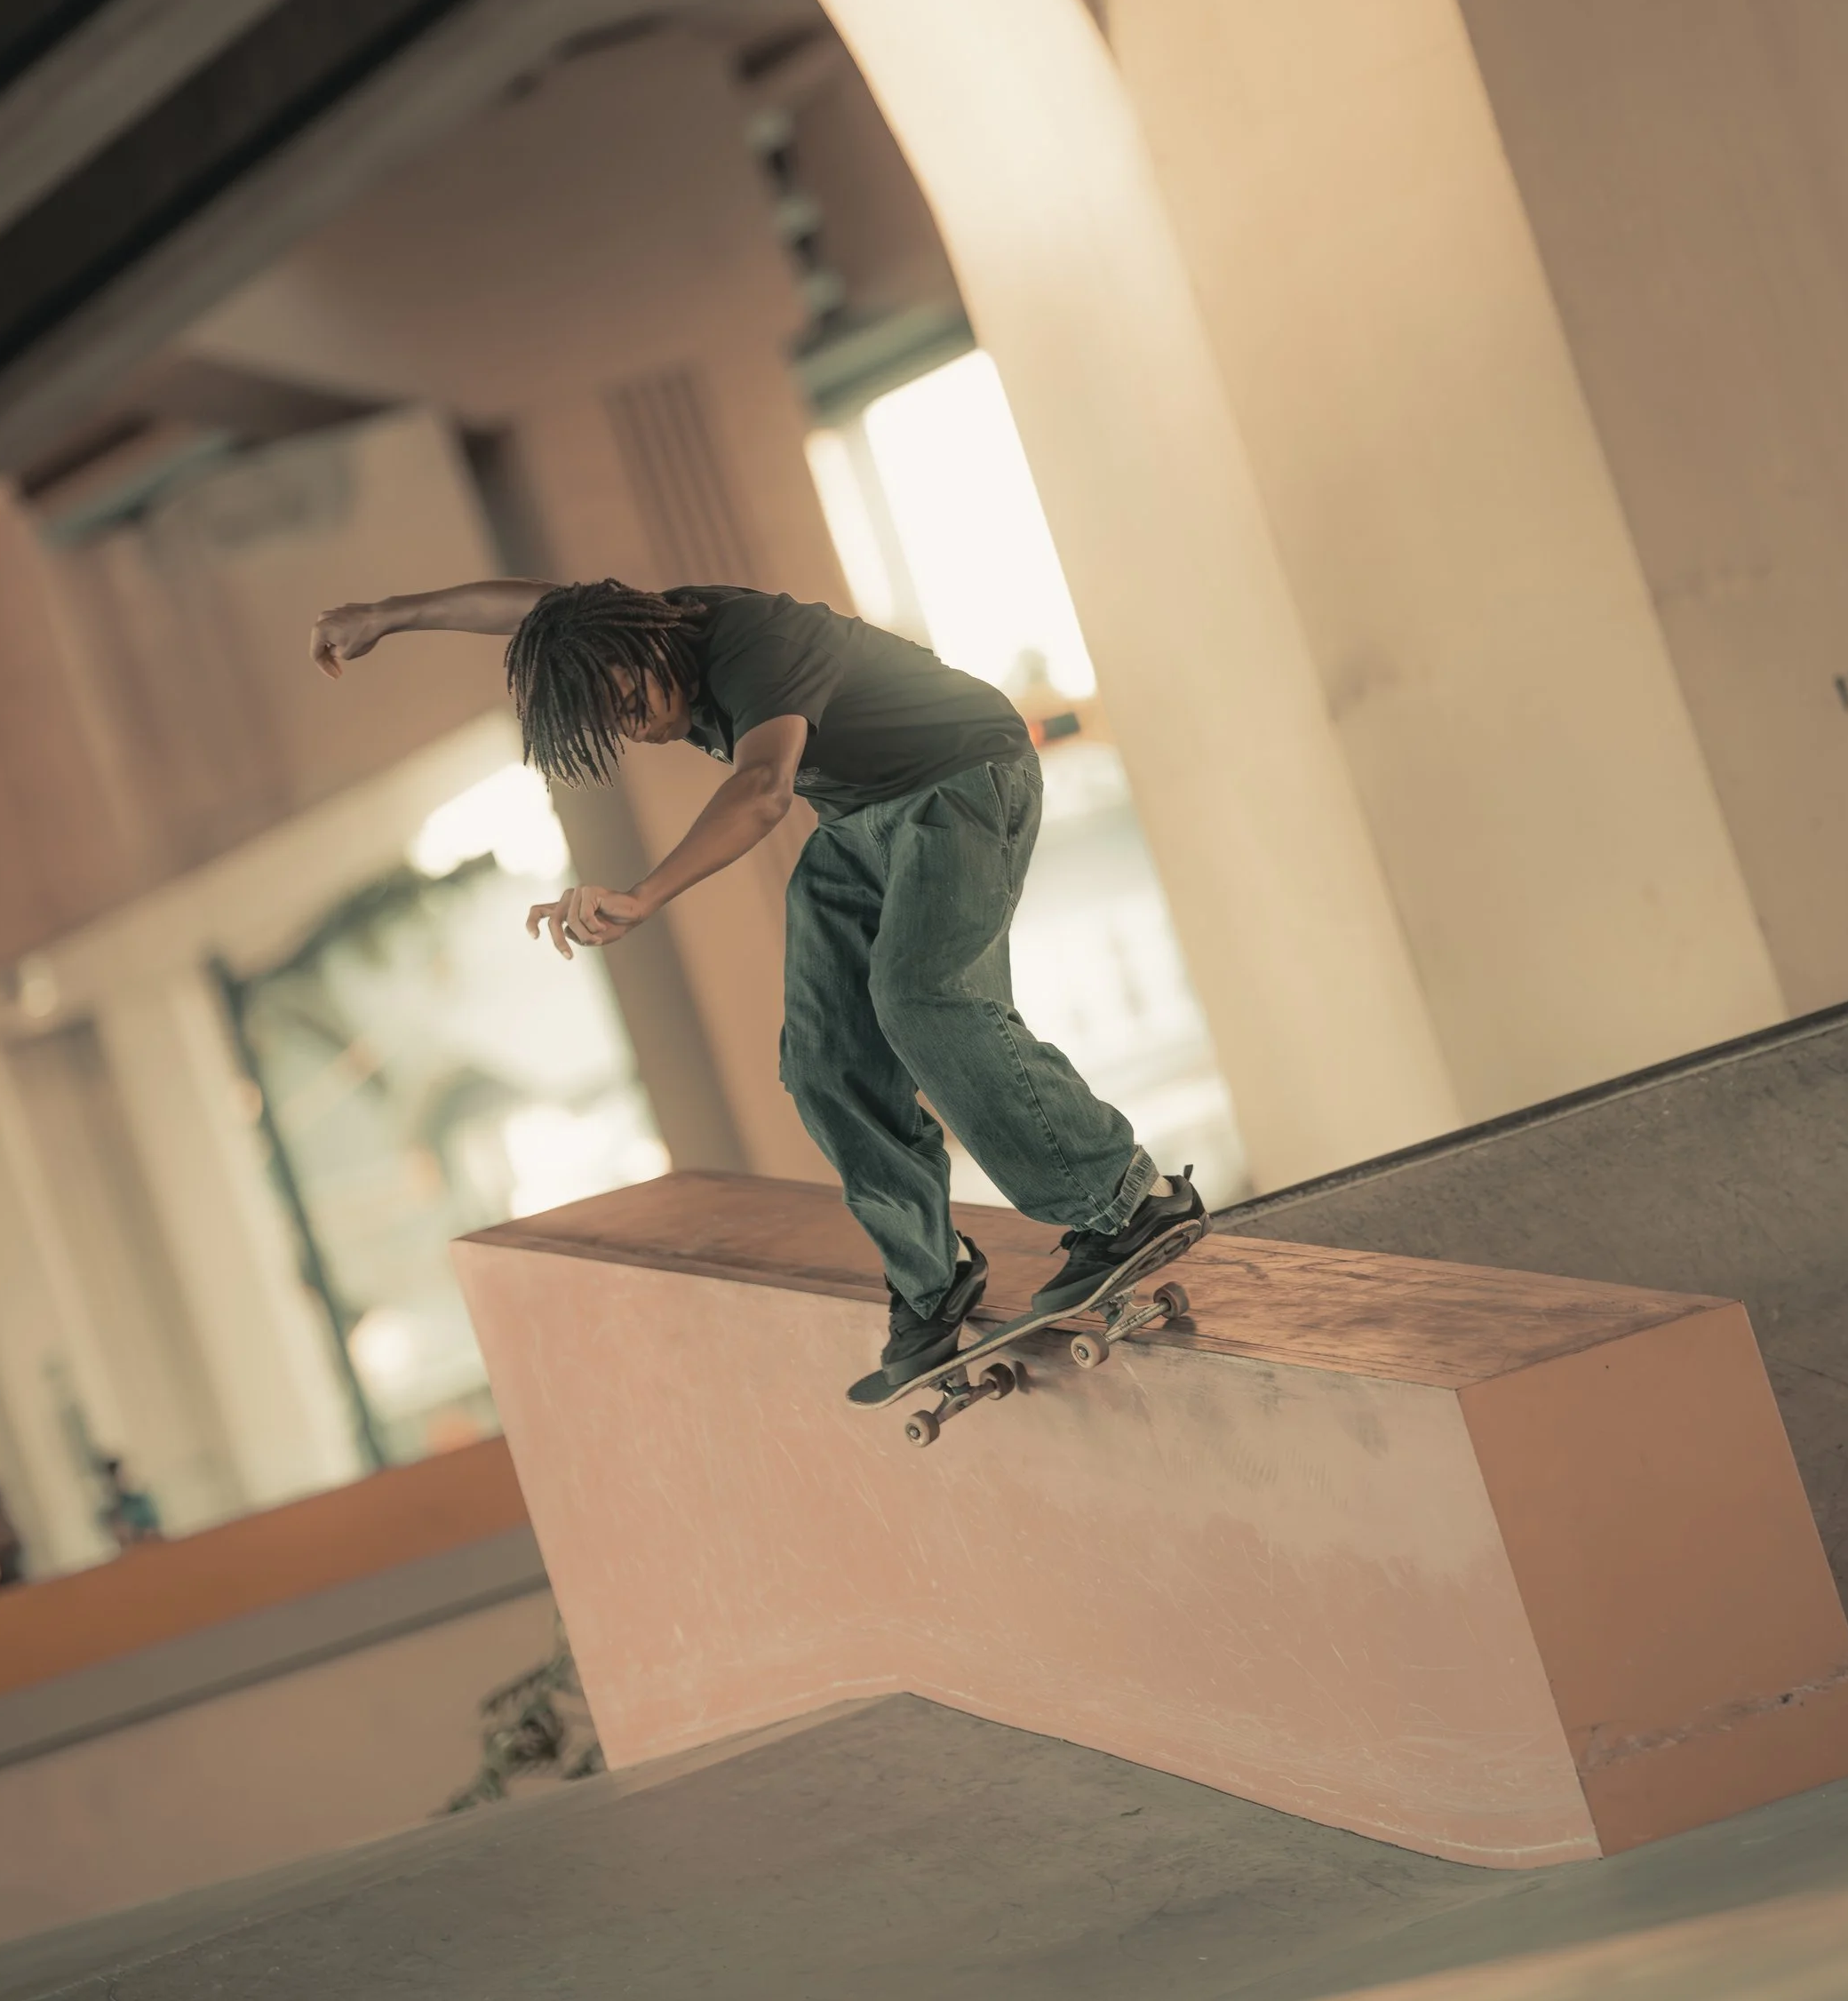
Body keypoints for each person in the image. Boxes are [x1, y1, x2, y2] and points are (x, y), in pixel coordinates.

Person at [309, 578, 1202, 1401]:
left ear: (646, 642)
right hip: (857, 821)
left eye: (630, 701)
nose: (640, 727)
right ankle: (932, 1279)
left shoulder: (756, 644)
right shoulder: (619, 628)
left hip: (963, 780)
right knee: (822, 1060)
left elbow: (766, 788)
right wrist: (387, 615)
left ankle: (1124, 1201)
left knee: (922, 997)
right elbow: (525, 611)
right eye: (617, 724)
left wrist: (644, 894)